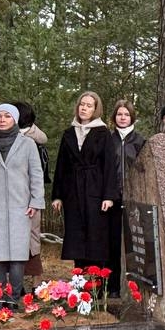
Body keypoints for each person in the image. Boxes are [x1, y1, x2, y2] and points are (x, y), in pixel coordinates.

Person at [0, 104, 45, 302]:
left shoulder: (27, 144)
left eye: (7, 116)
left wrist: (36, 201)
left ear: (14, 119)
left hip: (21, 208)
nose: (2, 119)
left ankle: (13, 299)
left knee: (17, 258)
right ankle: (0, 299)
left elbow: (36, 174)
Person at [52, 91, 118, 272]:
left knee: (96, 237)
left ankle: (96, 283)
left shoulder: (103, 133)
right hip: (73, 192)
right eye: (82, 104)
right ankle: (79, 282)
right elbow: (62, 166)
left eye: (89, 106)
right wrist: (57, 195)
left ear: (96, 110)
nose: (84, 108)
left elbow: (109, 166)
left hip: (95, 190)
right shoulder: (68, 133)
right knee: (76, 237)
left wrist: (109, 195)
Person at [107, 100, 146, 297]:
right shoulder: (108, 140)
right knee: (113, 244)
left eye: (126, 114)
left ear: (132, 117)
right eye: (119, 114)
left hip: (133, 199)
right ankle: (113, 287)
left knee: (134, 244)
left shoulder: (140, 141)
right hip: (112, 199)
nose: (123, 118)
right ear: (114, 117)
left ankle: (135, 287)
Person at [12, 101, 51, 286]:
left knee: (32, 238)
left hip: (29, 196)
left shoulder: (33, 140)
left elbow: (37, 174)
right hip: (14, 196)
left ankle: (36, 281)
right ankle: (19, 281)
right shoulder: (4, 137)